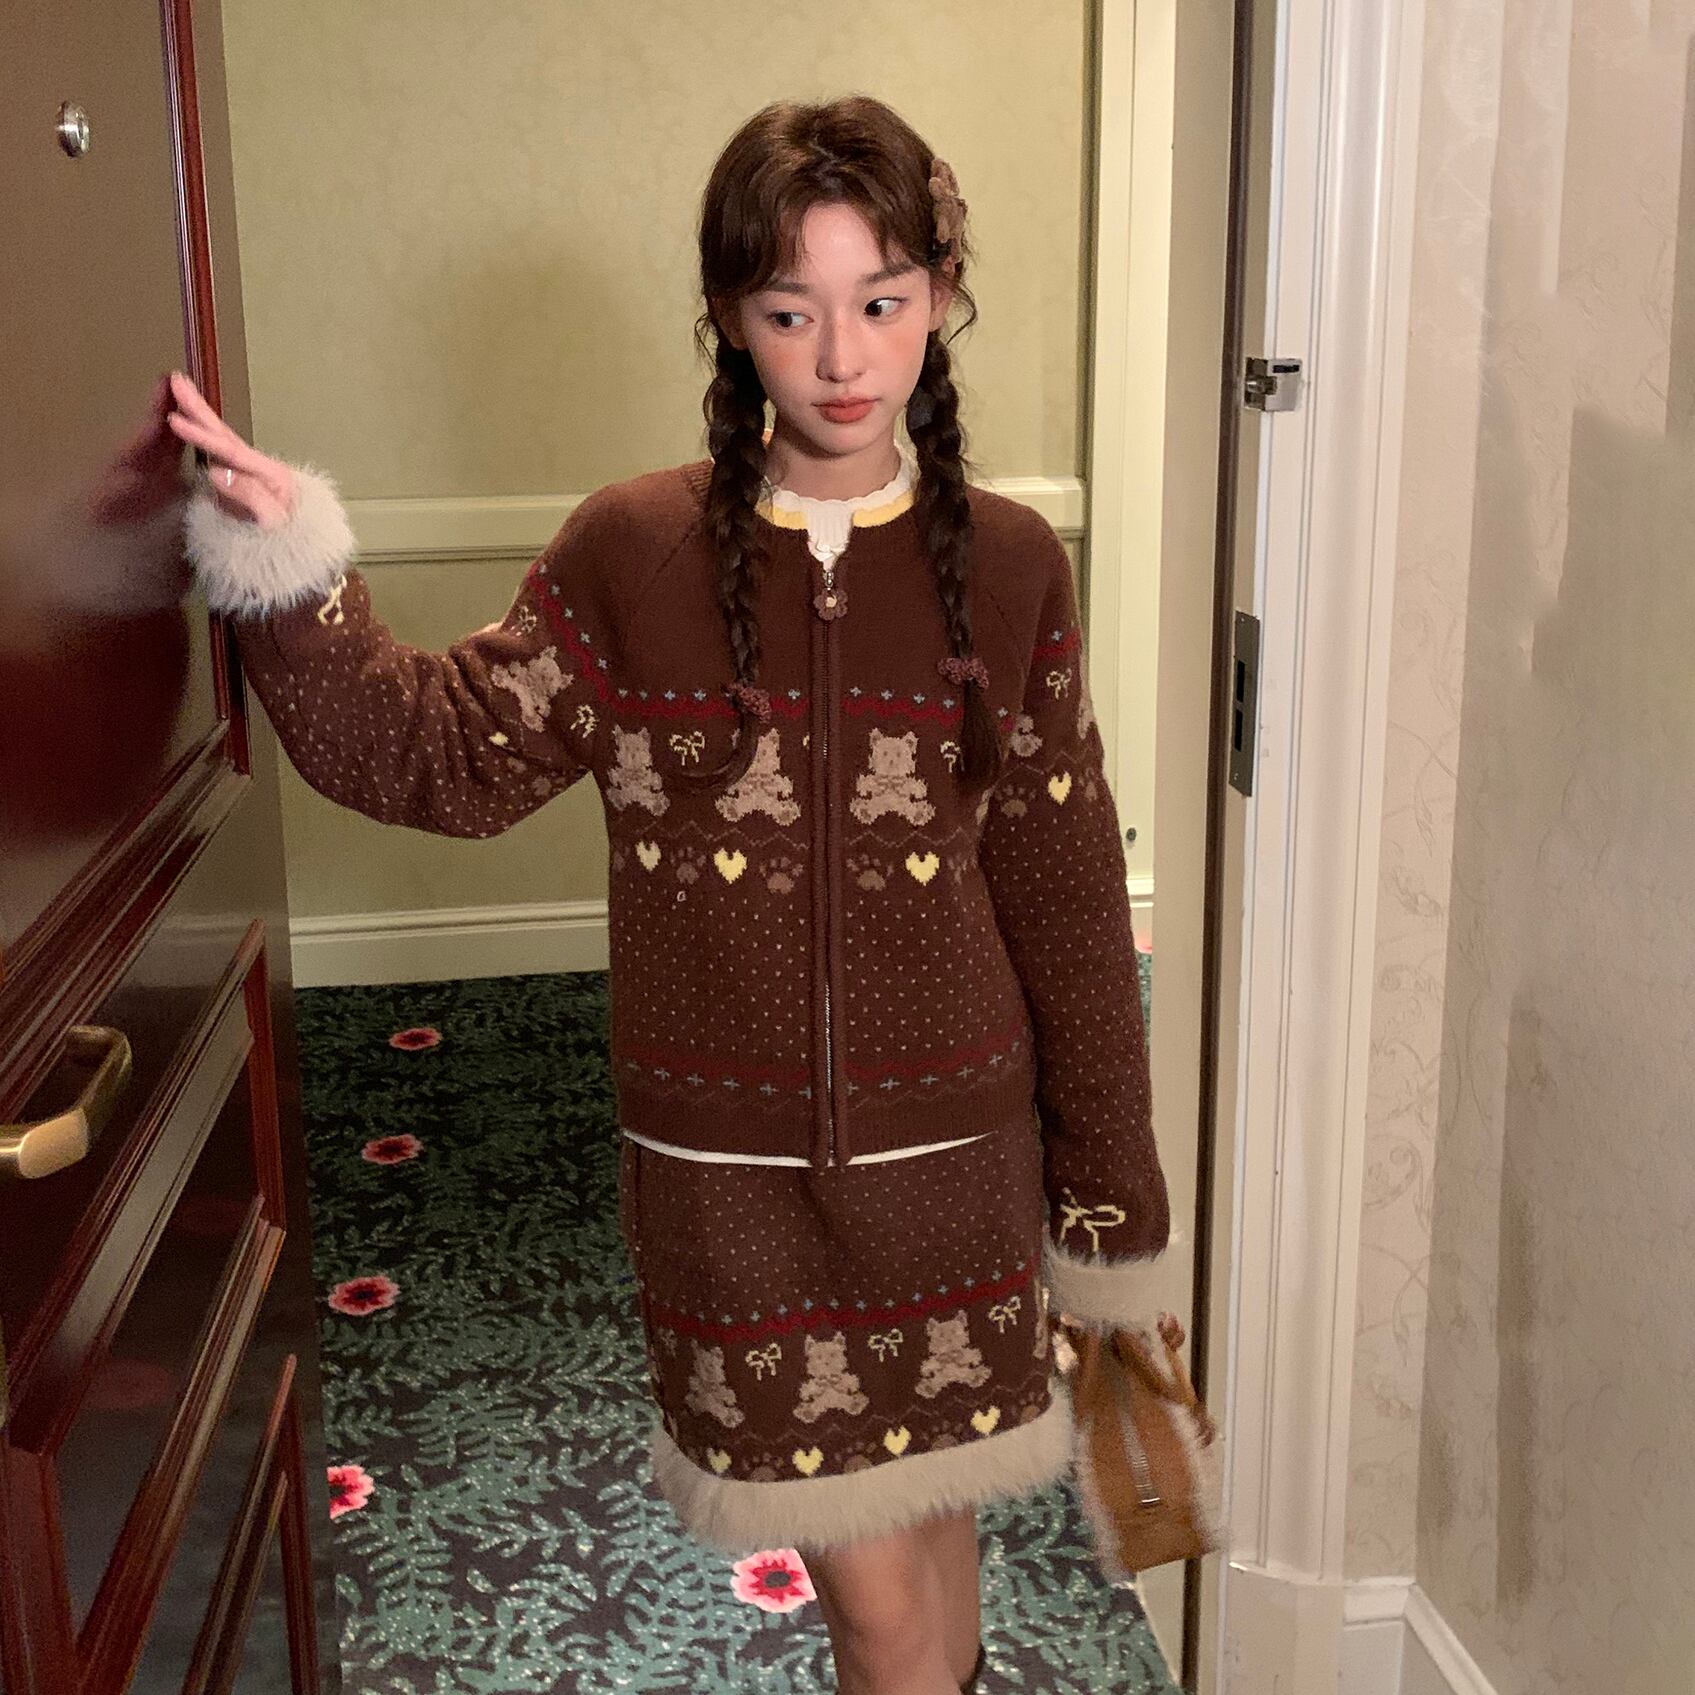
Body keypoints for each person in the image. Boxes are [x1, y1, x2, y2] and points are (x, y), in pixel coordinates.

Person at [167, 94, 1171, 1695]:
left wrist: (1110, 1201)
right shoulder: (630, 554)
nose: (841, 358)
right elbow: (442, 754)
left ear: (939, 296)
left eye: (881, 303)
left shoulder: (1009, 563)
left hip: (958, 1177)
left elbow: (1062, 896)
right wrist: (289, 568)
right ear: (728, 316)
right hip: (733, 1205)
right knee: (877, 1611)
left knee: (937, 1550)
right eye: (790, 311)